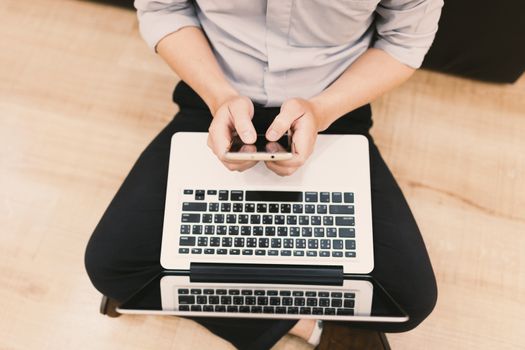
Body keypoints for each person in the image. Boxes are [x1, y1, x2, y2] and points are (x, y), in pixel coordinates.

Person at [85, 0, 443, 349]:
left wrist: (321, 111)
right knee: (109, 266)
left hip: (333, 108)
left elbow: (404, 40)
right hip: (213, 97)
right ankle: (308, 327)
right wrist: (218, 96)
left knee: (409, 300)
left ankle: (190, 296)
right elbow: (163, 8)